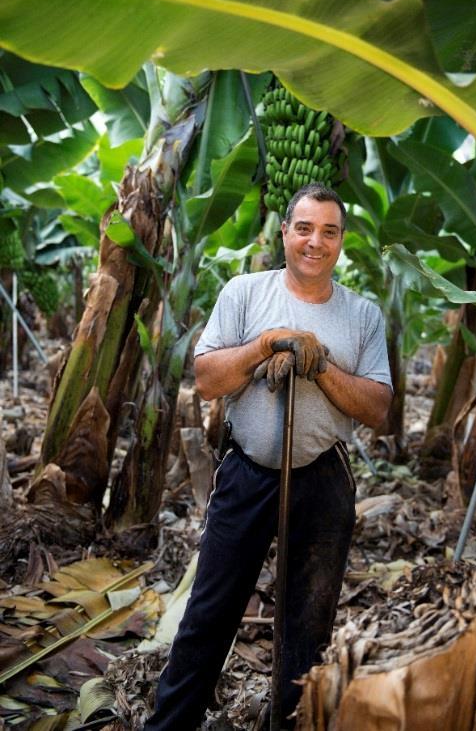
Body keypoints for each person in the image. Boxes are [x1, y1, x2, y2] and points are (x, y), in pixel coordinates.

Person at [144, 183, 392, 730]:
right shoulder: (245, 293)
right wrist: (266, 345)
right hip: (248, 470)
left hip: (323, 475)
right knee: (209, 613)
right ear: (284, 232)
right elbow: (207, 380)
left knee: (309, 621)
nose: (314, 241)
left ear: (342, 241)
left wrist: (321, 367)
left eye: (328, 231)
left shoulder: (362, 315)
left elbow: (378, 407)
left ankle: (290, 722)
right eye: (304, 228)